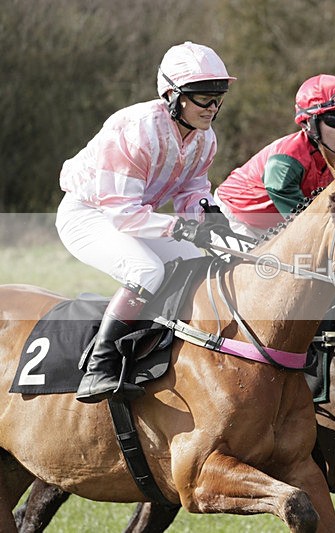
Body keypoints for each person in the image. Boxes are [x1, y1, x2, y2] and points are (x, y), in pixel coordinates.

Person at [55, 41, 236, 403]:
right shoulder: (136, 130)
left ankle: (161, 346)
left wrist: (207, 213)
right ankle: (99, 367)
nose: (213, 107)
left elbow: (193, 188)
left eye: (218, 97)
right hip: (89, 214)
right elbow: (121, 212)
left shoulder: (204, 139)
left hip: (133, 215)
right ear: (173, 95)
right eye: (203, 97)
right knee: (147, 271)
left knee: (200, 262)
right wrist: (180, 227)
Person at [214, 74, 335, 237]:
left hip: (271, 225)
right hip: (235, 216)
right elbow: (307, 224)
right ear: (310, 122)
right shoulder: (289, 157)